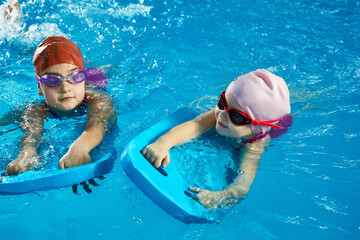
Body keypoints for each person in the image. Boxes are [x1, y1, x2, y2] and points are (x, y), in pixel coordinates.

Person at [141, 69, 291, 209]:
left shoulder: (254, 145)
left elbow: (243, 184)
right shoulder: (224, 112)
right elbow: (195, 125)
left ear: (256, 127)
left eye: (236, 116)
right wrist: (163, 142)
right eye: (222, 101)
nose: (222, 114)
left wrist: (220, 197)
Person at [5, 36, 116, 175]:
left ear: (83, 80)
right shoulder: (37, 110)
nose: (65, 88)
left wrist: (80, 148)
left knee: (107, 70)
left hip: (97, 77)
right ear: (39, 86)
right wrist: (25, 156)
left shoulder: (98, 99)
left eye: (75, 76)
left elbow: (99, 124)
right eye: (52, 80)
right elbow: (31, 136)